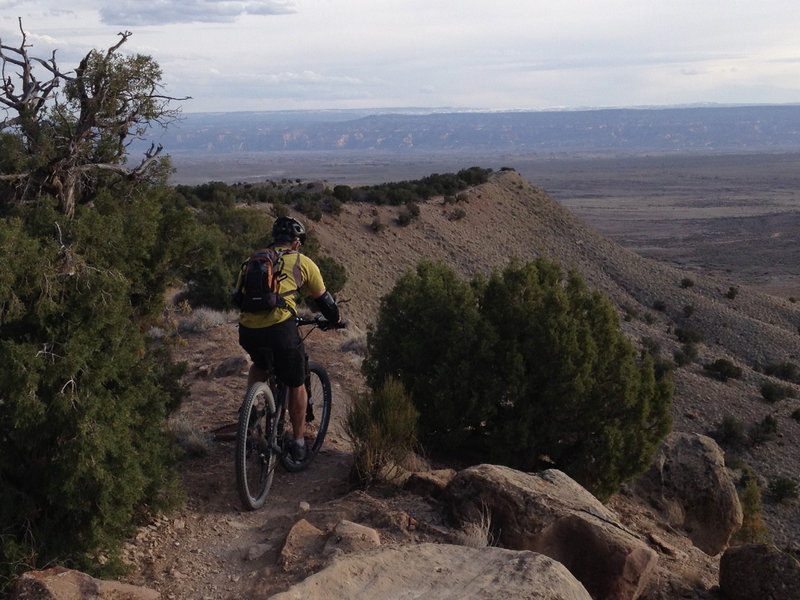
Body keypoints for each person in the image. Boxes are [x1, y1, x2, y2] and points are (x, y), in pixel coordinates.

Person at [236, 216, 341, 462]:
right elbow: (324, 300)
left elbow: (235, 298)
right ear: (296, 244)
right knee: (296, 382)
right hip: (281, 329)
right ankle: (298, 441)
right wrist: (335, 320)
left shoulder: (251, 261)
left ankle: (248, 414)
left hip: (248, 330)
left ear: (274, 240)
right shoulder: (302, 262)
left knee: (260, 364)